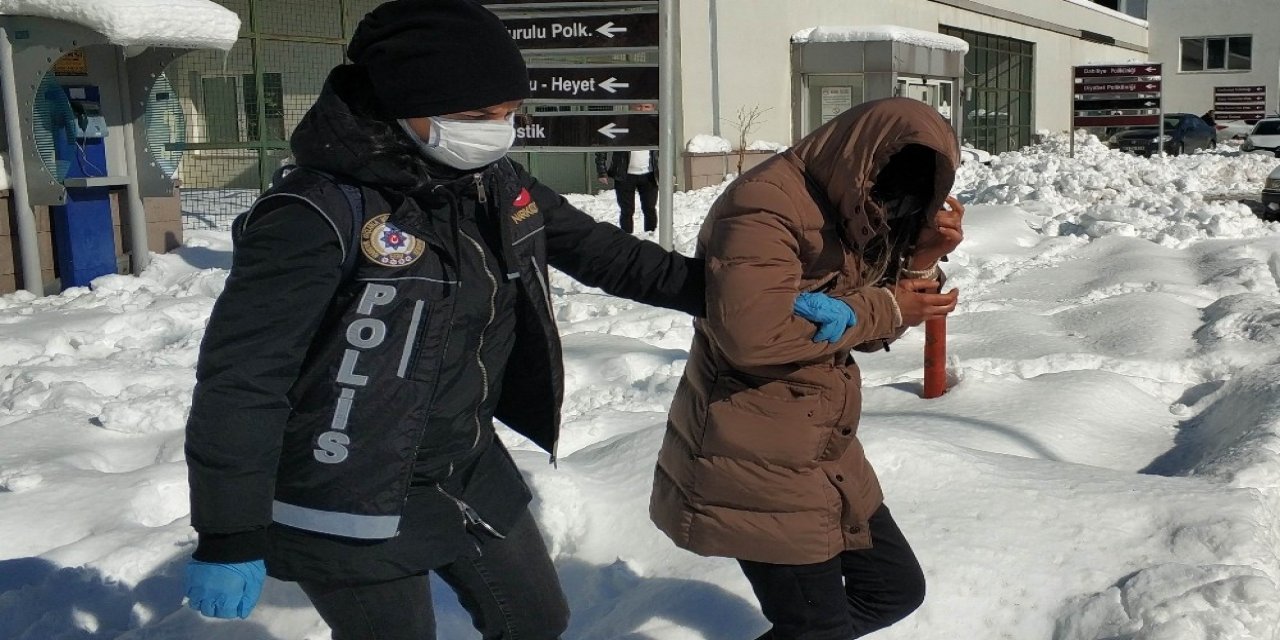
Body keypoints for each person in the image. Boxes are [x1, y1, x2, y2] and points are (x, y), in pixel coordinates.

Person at [181, 2, 704, 638]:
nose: (498, 131)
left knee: (537, 620)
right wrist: (229, 530)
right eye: (476, 117)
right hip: (346, 485)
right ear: (404, 104)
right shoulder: (313, 215)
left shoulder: (493, 184)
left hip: (465, 464)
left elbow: (607, 254)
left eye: (510, 113)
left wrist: (736, 297)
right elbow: (242, 377)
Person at [649, 97, 964, 640]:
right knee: (816, 626)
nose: (890, 214)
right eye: (890, 201)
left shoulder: (847, 204)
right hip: (755, 453)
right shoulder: (764, 207)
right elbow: (751, 336)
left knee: (892, 591)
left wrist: (919, 260)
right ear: (863, 160)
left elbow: (854, 326)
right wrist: (883, 308)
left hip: (823, 448)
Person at [595, 104, 659, 234]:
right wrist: (602, 170)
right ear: (631, 107)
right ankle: (627, 238)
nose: (642, 110)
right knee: (626, 210)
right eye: (638, 107)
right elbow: (602, 145)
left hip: (649, 175)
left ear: (652, 108)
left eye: (646, 107)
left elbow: (666, 149)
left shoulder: (656, 125)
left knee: (650, 209)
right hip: (624, 174)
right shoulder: (621, 124)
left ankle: (651, 236)